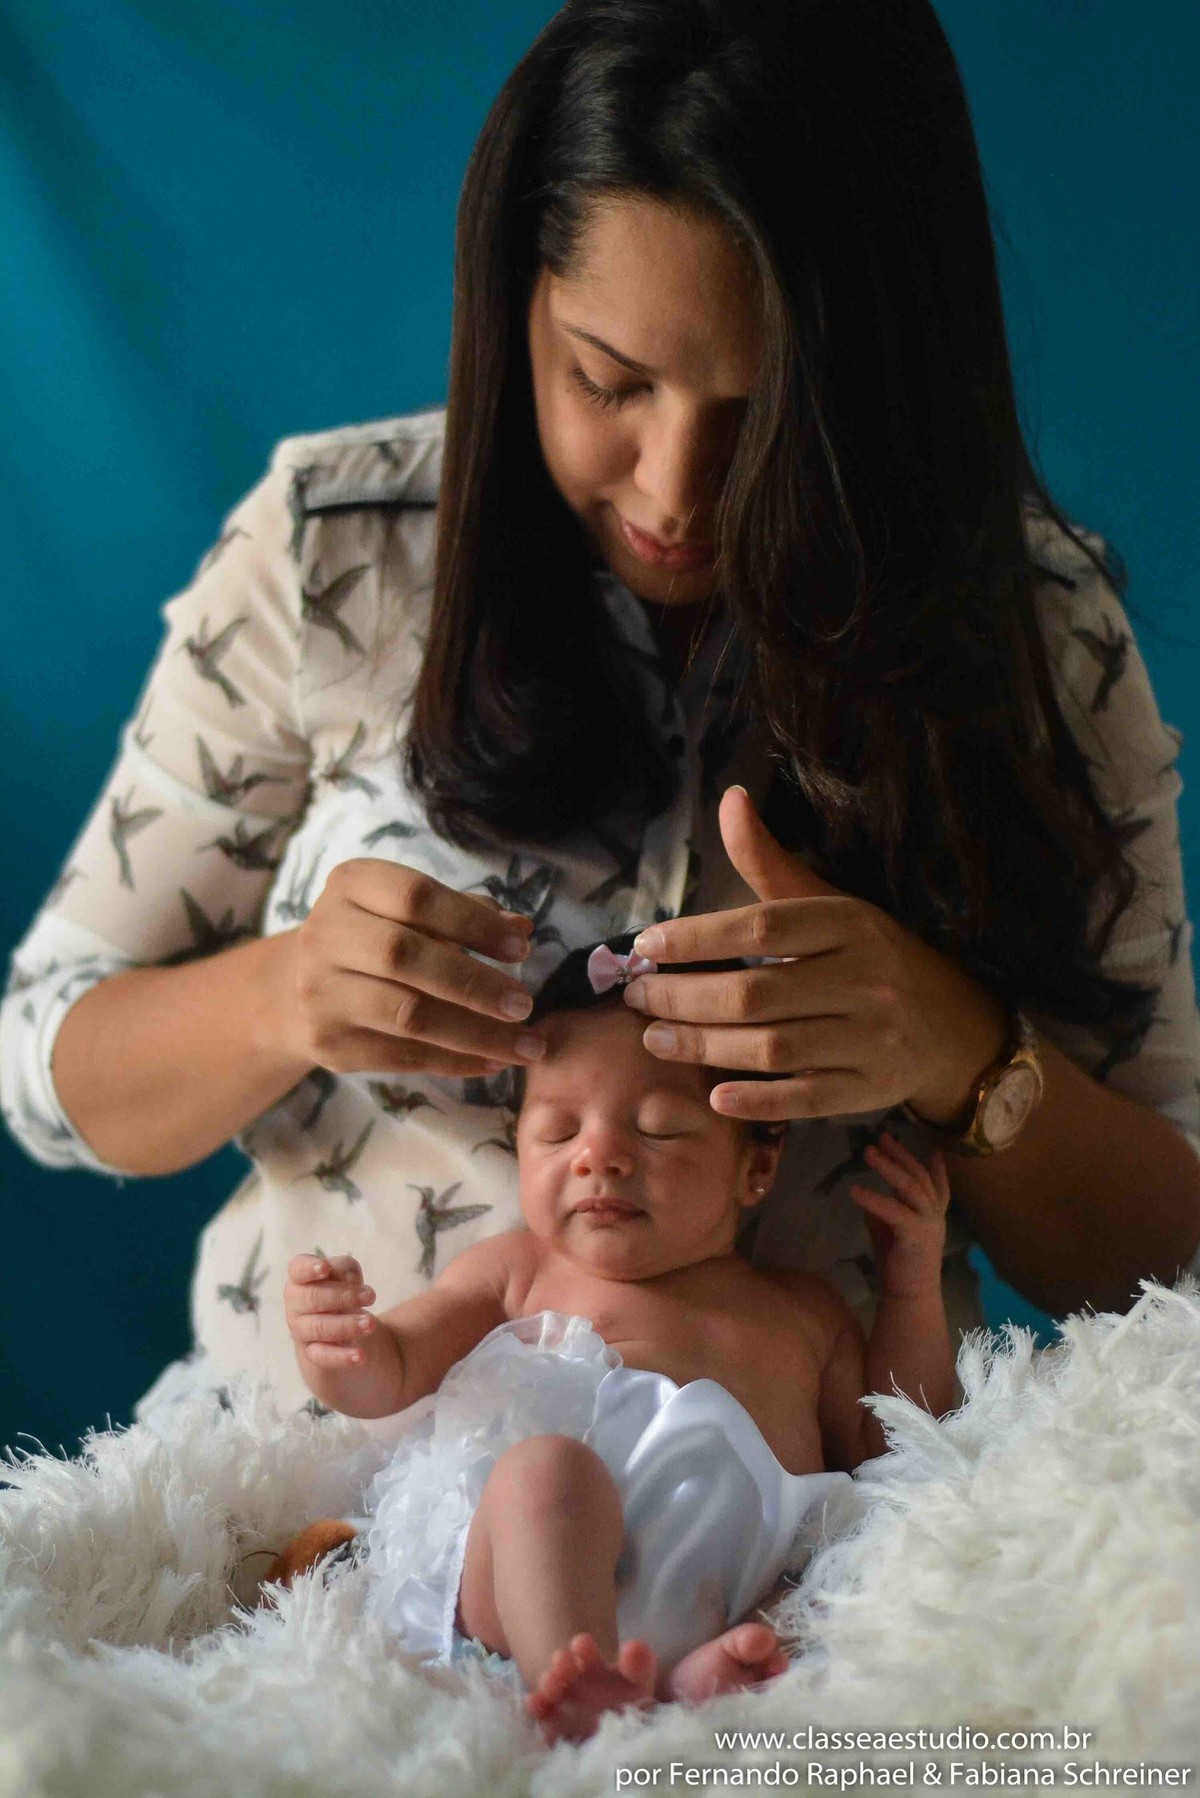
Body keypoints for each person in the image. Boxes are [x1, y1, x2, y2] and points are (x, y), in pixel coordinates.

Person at [3, 0, 1199, 1427]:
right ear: (519, 299)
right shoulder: (332, 552)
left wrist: (958, 1049)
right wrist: (285, 993)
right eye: (608, 381)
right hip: (312, 1534)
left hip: (819, 1588)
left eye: (765, 415)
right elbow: (43, 1066)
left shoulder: (1038, 632)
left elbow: (1166, 1257)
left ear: (885, 381)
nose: (676, 491)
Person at [279, 940, 957, 1744]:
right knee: (545, 1472)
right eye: (557, 1131)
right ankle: (576, 1668)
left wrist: (913, 1289)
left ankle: (685, 1682)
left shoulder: (804, 1311)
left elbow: (901, 1446)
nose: (598, 1156)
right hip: (521, 1580)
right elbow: (391, 1372)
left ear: (757, 1164)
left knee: (845, 1568)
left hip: (729, 1598)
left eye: (661, 1130)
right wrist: (341, 1345)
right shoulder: (517, 1271)